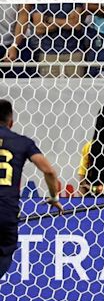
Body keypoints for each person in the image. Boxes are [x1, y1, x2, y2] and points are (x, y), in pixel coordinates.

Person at [0, 99, 63, 280]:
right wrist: (54, 197)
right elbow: (49, 171)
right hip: (6, 212)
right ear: (11, 122)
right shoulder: (22, 142)